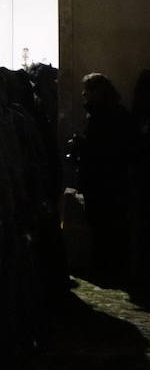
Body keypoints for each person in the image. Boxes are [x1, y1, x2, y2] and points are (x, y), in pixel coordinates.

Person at [76, 72, 135, 287]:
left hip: (102, 181)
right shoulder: (119, 114)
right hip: (114, 181)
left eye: (87, 91)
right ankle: (114, 269)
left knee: (102, 228)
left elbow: (99, 150)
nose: (83, 94)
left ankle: (105, 270)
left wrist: (82, 147)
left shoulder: (99, 116)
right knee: (112, 227)